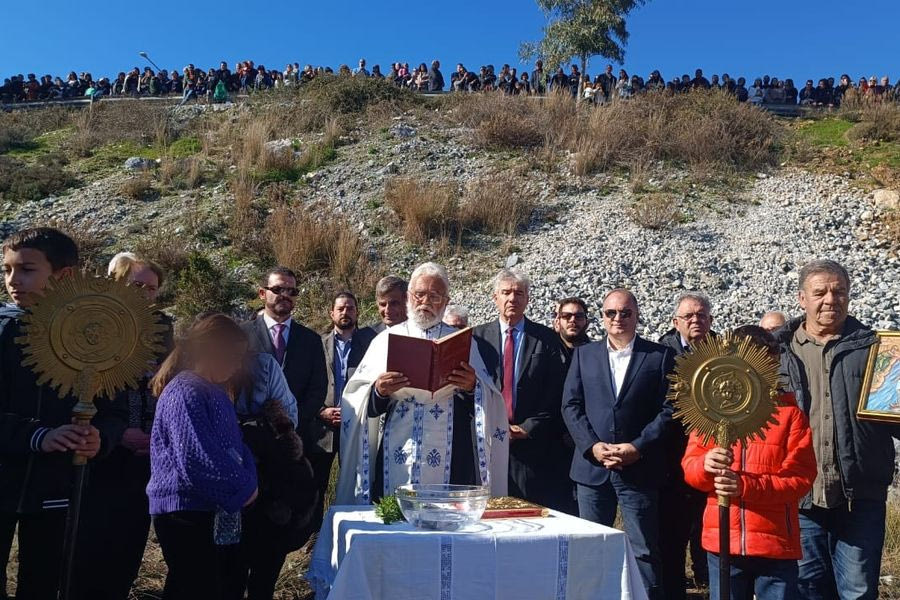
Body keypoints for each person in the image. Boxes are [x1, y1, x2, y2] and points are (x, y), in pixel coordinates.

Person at [0, 228, 127, 600]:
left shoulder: (94, 336)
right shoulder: (3, 331)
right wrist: (38, 436)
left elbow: (113, 411)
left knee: (44, 583)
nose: (13, 281)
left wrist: (100, 437)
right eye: (6, 270)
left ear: (64, 275)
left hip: (59, 487)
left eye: (26, 270)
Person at [777, 259, 899, 600]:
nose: (831, 299)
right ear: (802, 298)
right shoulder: (776, 352)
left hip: (859, 497)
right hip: (799, 497)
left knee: (858, 592)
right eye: (820, 292)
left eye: (839, 291)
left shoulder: (878, 350)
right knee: (806, 589)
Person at [337, 262, 508, 504]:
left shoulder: (464, 342)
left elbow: (489, 398)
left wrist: (472, 388)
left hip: (451, 447)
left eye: (434, 296)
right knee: (396, 519)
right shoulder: (385, 340)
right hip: (397, 444)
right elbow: (357, 396)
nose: (425, 302)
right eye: (420, 294)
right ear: (409, 297)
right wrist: (378, 391)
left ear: (446, 302)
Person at [682, 325, 816, 600]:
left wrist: (745, 486)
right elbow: (690, 468)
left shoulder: (790, 415)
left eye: (766, 364)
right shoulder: (710, 412)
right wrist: (706, 465)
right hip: (723, 541)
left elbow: (800, 479)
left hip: (775, 542)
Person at [562, 289, 674, 600]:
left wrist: (638, 447)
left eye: (625, 313)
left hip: (639, 467)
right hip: (591, 470)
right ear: (602, 318)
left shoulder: (660, 356)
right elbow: (571, 406)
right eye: (611, 313)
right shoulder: (584, 355)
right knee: (589, 548)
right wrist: (592, 446)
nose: (618, 319)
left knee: (644, 551)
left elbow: (669, 410)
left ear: (637, 316)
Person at [72, 254, 173, 600]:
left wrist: (158, 436)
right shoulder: (91, 323)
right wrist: (115, 432)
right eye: (137, 286)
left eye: (151, 288)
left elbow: (167, 384)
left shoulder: (162, 328)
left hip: (146, 453)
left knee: (129, 542)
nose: (144, 294)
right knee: (89, 546)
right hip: (100, 452)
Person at [148, 314, 258, 600]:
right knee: (196, 589)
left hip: (212, 510)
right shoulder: (185, 391)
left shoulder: (213, 390)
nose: (237, 365)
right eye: (233, 355)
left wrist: (249, 480)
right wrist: (244, 488)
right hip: (187, 513)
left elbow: (236, 446)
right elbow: (196, 458)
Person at [473, 270, 574, 513]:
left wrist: (529, 426)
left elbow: (557, 392)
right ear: (494, 297)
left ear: (528, 299)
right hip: (487, 443)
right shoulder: (476, 338)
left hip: (532, 447)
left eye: (519, 293)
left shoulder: (547, 339)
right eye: (506, 292)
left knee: (529, 517)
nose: (512, 299)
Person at [242, 269, 327, 513]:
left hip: (296, 441)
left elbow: (317, 387)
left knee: (288, 514)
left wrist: (291, 421)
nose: (285, 295)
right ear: (262, 293)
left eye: (292, 291)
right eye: (278, 289)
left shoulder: (310, 339)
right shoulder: (243, 335)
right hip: (250, 442)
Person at [658, 292, 716, 598]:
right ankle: (674, 587)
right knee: (674, 527)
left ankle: (709, 582)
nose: (696, 320)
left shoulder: (722, 350)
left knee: (707, 523)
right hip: (673, 453)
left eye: (702, 315)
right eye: (689, 316)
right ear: (675, 322)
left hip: (712, 451)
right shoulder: (660, 353)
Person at [315, 292, 376, 528]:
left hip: (358, 425)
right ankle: (316, 534)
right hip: (324, 428)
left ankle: (354, 527)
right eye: (340, 308)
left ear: (357, 312)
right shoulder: (318, 345)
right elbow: (310, 385)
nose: (345, 312)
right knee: (318, 485)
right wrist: (321, 410)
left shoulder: (370, 344)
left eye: (350, 308)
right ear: (331, 313)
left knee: (356, 481)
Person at [553, 297, 591, 366]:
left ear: (587, 323)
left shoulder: (596, 355)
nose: (572, 320)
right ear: (557, 323)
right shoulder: (544, 352)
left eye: (579, 316)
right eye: (566, 316)